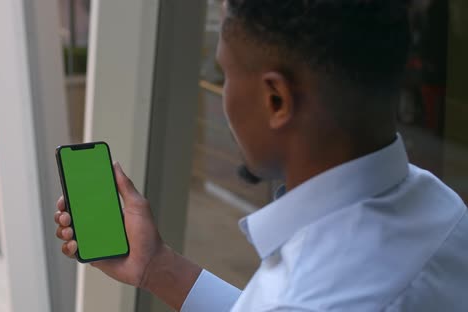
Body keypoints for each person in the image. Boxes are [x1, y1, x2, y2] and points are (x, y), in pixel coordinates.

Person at [54, 0, 468, 311]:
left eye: (226, 73)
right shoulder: (444, 210)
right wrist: (156, 266)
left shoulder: (306, 297)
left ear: (276, 99)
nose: (224, 91)